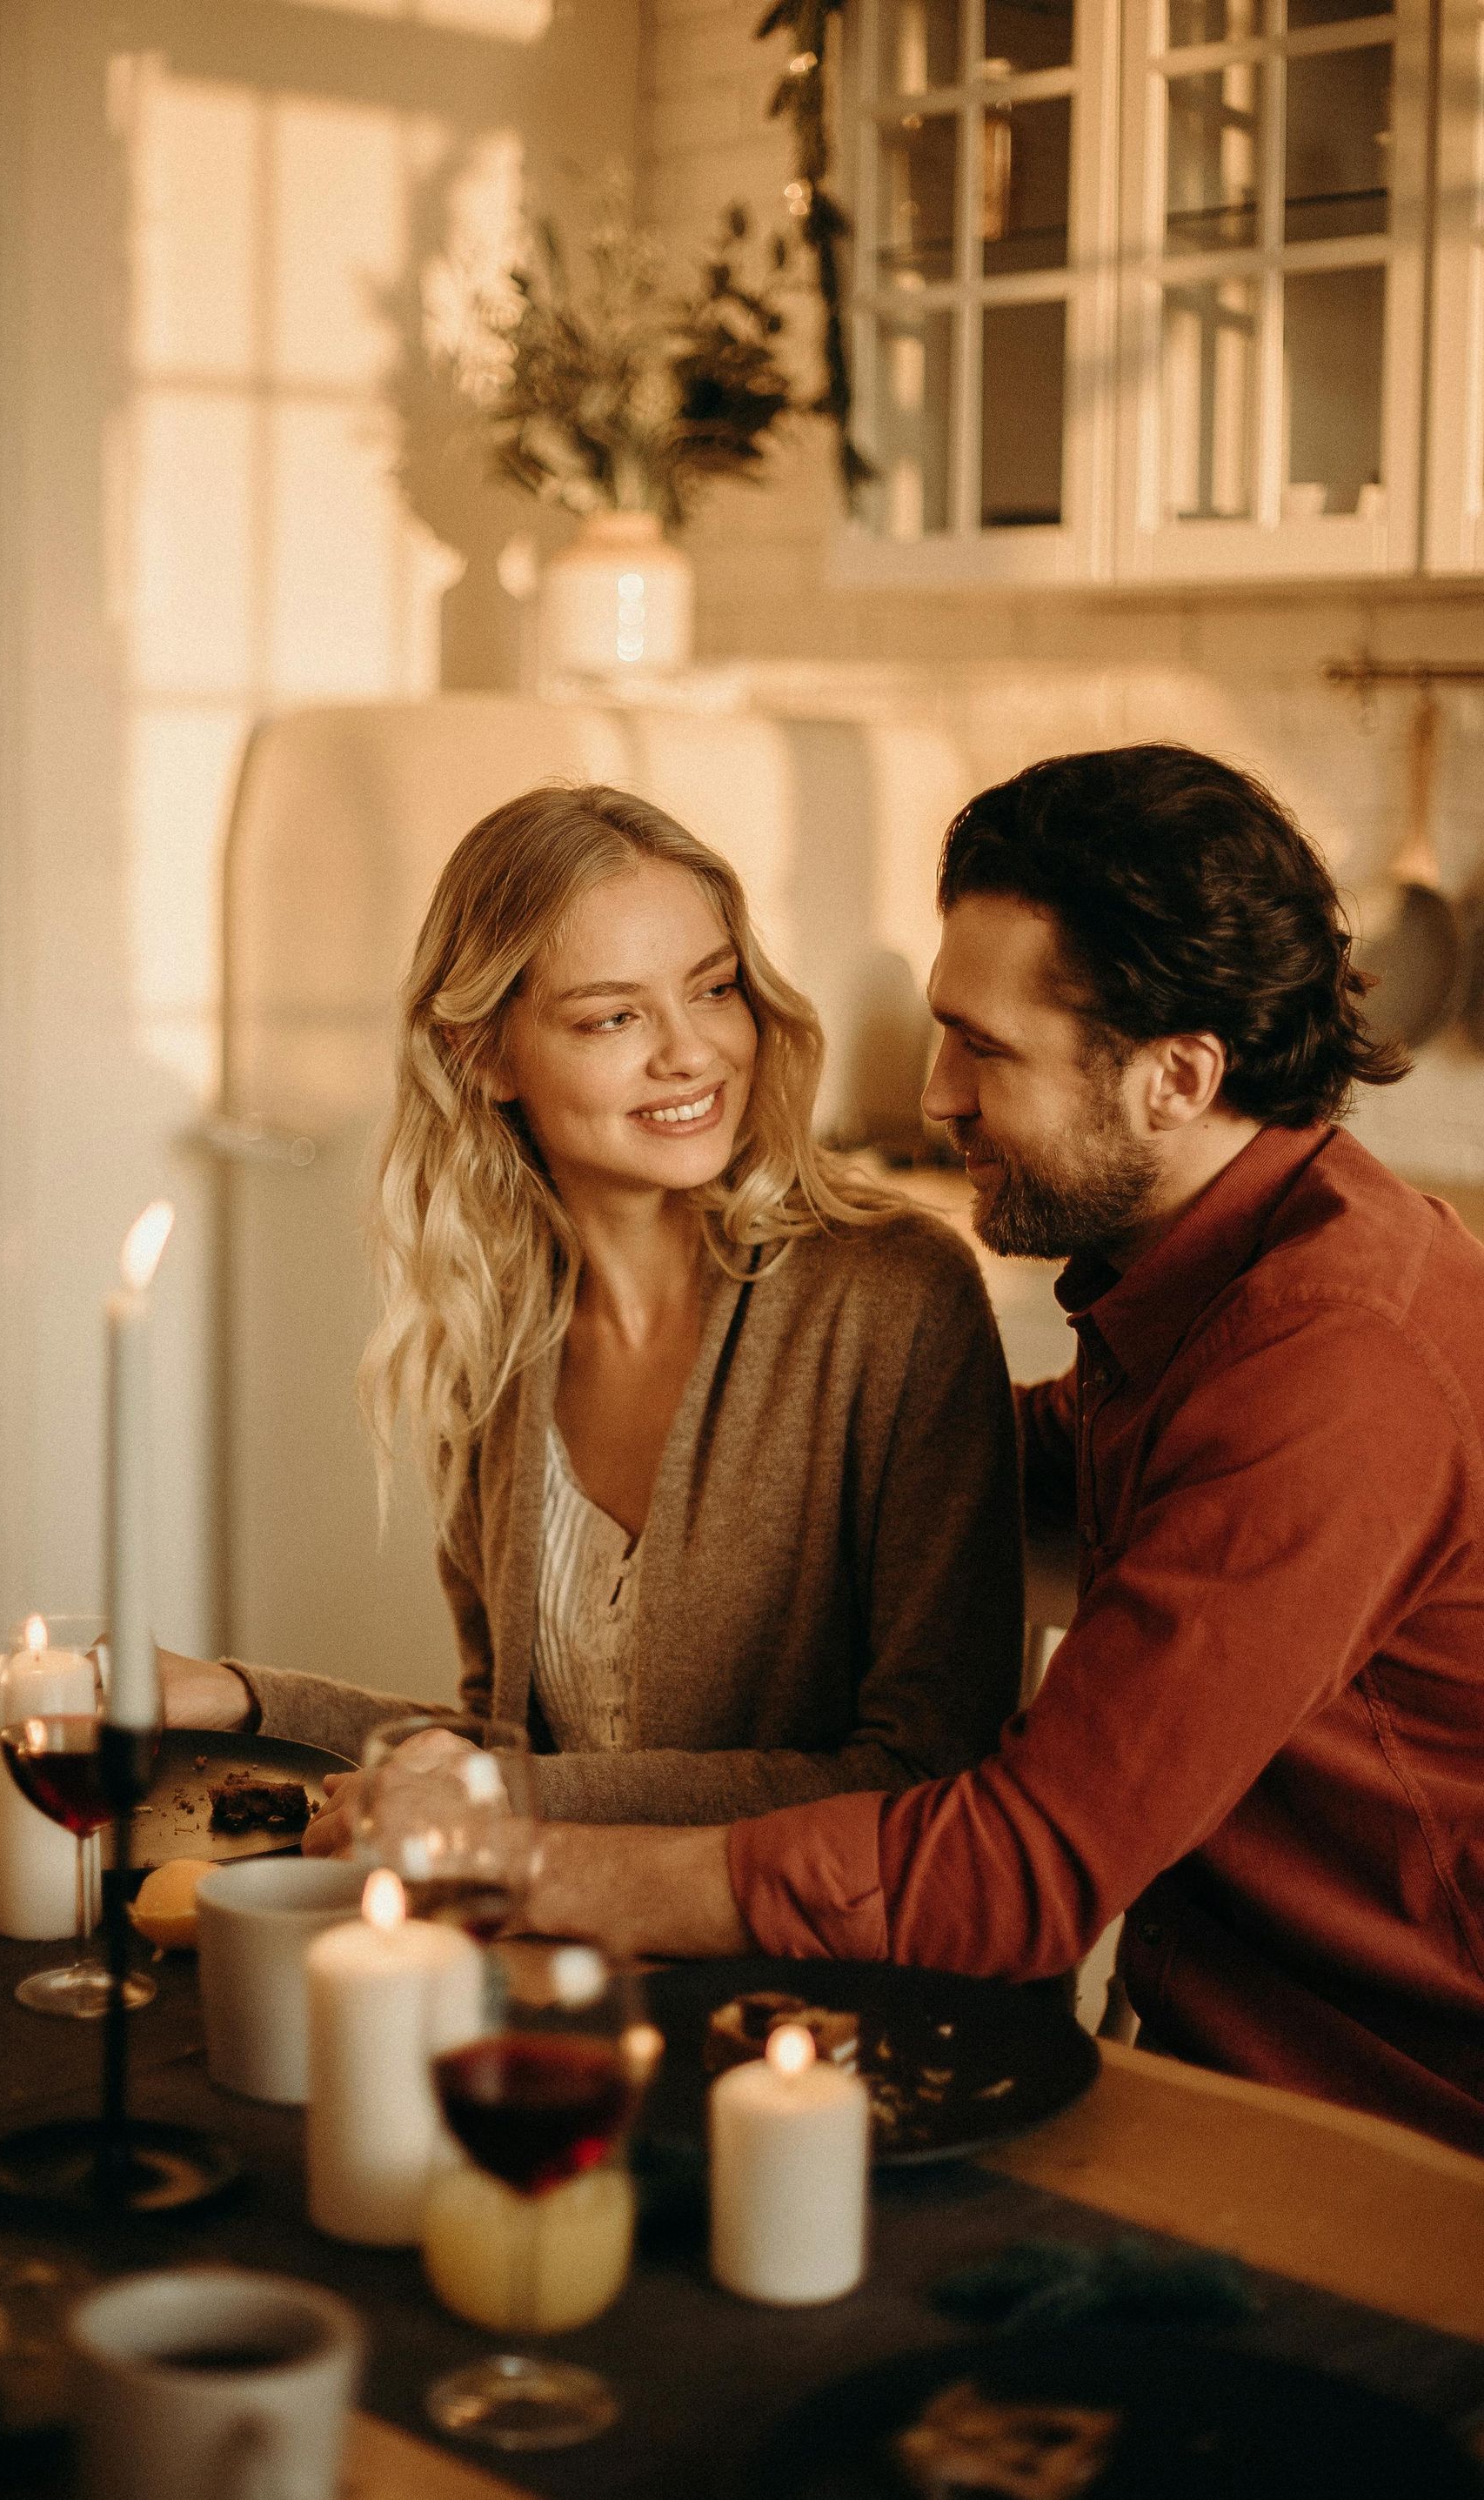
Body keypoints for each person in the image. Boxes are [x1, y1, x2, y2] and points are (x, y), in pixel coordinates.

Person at [502, 745, 1484, 2156]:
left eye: (986, 1046)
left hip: (1396, 2126)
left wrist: (534, 1867)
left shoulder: (1332, 1362)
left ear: (1175, 1075)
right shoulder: (1204, 1271)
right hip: (1219, 2056)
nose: (939, 1092)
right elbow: (985, 1463)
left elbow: (1022, 1868)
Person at [168, 782, 1023, 1828]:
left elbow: (924, 1776)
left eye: (712, 990)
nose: (691, 1052)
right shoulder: (494, 1336)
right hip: (569, 1951)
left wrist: (494, 1790)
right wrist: (242, 1700)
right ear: (483, 1056)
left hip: (806, 1983)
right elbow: (511, 1754)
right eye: (614, 1015)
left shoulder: (893, 1298)